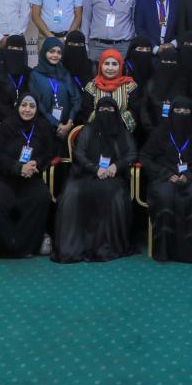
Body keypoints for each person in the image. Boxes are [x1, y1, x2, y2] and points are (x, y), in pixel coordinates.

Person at [52, 96, 135, 263]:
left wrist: (116, 166)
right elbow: (79, 154)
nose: (106, 113)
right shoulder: (87, 131)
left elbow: (131, 154)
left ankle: (107, 246)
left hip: (113, 176)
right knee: (70, 194)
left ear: (116, 112)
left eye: (110, 110)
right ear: (96, 112)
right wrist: (96, 169)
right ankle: (74, 246)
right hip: (86, 174)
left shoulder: (122, 132)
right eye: (102, 110)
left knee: (115, 197)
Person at [141, 95, 192, 263]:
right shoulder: (160, 132)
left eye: (186, 111)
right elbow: (145, 157)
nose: (181, 114)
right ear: (171, 112)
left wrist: (191, 174)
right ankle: (165, 251)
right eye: (178, 111)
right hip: (165, 177)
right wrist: (165, 173)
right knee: (165, 197)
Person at [0, 93, 55, 258]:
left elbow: (49, 152)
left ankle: (25, 246)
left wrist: (35, 164)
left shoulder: (42, 126)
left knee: (41, 197)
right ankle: (3, 247)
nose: (27, 110)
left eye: (32, 106)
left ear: (37, 109)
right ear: (17, 106)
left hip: (29, 177)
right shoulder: (6, 126)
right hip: (1, 176)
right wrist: (18, 168)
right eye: (24, 105)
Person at [28, 38, 81, 143]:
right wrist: (57, 124)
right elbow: (37, 103)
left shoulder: (65, 73)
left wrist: (69, 122)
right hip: (44, 127)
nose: (55, 55)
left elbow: (76, 98)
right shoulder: (35, 75)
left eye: (59, 52)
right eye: (51, 51)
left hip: (66, 127)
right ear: (44, 52)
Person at [76, 49, 139, 133]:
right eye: (106, 64)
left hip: (122, 132)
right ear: (101, 65)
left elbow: (134, 110)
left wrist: (116, 123)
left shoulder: (129, 85)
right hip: (96, 132)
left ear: (120, 66)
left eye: (114, 64)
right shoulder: (92, 86)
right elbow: (86, 111)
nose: (110, 68)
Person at [141, 45, 185, 136]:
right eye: (165, 61)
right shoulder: (151, 84)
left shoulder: (183, 86)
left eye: (172, 62)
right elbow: (144, 109)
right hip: (152, 132)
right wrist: (151, 129)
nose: (168, 64)